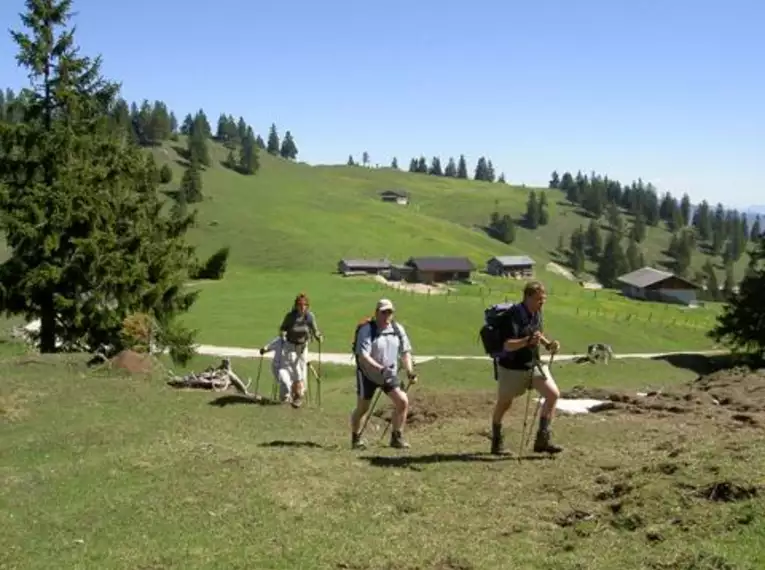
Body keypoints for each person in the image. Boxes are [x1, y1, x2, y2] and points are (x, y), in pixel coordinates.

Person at [489, 281, 563, 455]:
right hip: (512, 369)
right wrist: (526, 342)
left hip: (533, 365)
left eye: (543, 300)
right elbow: (507, 345)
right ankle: (496, 441)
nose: (541, 303)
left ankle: (543, 440)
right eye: (538, 300)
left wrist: (548, 344)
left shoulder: (536, 313)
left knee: (553, 395)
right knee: (504, 404)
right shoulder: (512, 316)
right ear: (528, 297)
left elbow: (536, 333)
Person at [350, 298, 417, 450]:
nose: (387, 315)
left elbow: (405, 352)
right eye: (383, 312)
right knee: (363, 408)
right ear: (376, 313)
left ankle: (396, 437)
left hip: (387, 374)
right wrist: (379, 368)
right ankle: (355, 438)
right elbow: (363, 356)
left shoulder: (397, 329)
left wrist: (409, 371)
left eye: (390, 312)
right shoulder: (367, 329)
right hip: (367, 373)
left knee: (402, 401)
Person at [277, 293, 323, 408]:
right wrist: (282, 333)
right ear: (296, 305)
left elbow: (315, 330)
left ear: (307, 306)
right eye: (300, 305)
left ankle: (298, 393)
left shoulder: (309, 316)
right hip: (290, 346)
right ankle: (297, 396)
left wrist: (318, 336)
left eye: (304, 305)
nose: (302, 307)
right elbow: (283, 328)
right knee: (296, 369)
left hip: (303, 347)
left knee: (302, 371)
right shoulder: (290, 316)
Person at [259, 335, 292, 403]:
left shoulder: (293, 341)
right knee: (285, 382)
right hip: (277, 367)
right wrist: (264, 350)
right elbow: (269, 346)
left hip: (289, 367)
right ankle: (283, 399)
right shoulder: (279, 340)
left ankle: (286, 398)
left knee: (289, 383)